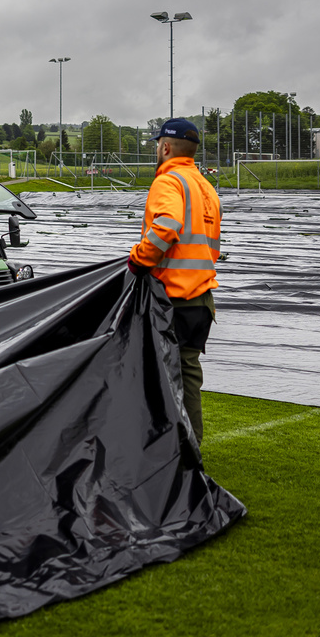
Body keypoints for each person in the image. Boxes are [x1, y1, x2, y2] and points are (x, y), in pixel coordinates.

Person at [128, 118, 222, 442]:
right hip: (202, 301)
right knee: (188, 378)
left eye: (158, 145)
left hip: (172, 301)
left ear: (166, 147)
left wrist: (138, 260)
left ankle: (173, 454)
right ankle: (190, 450)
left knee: (164, 380)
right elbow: (212, 248)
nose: (157, 150)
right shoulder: (205, 188)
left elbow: (167, 226)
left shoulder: (169, 182)